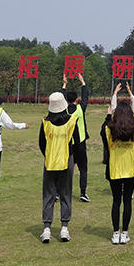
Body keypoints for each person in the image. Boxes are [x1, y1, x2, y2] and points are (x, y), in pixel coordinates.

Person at [100, 96, 134, 244]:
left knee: (116, 201)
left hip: (114, 170)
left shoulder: (109, 130)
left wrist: (108, 115)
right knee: (127, 201)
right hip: (131, 170)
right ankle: (125, 232)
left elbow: (103, 130)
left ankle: (116, 233)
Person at [38, 92, 81, 243]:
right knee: (66, 194)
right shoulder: (72, 121)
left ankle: (47, 229)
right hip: (66, 160)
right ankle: (64, 228)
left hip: (50, 162)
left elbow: (41, 144)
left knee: (48, 195)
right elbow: (77, 143)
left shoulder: (45, 123)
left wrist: (49, 155)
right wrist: (74, 159)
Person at [62, 73, 91, 203]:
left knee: (64, 168)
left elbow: (61, 97)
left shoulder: (64, 110)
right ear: (76, 99)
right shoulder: (80, 109)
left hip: (67, 143)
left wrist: (64, 84)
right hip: (80, 142)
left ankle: (58, 193)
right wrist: (83, 82)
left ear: (66, 100)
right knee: (83, 168)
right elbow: (86, 97)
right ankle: (83, 193)